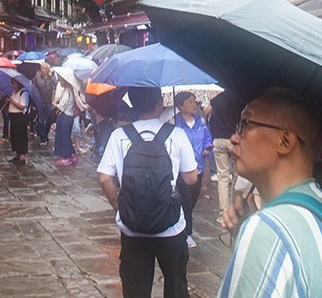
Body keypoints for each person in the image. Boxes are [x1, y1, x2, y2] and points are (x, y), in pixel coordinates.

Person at [219, 88, 322, 297]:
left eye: (245, 125)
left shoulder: (267, 229)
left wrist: (257, 232)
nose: (233, 138)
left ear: (285, 141)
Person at [97, 87, 198, 298]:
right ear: (159, 103)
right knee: (176, 284)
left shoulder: (119, 135)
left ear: (133, 103)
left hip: (133, 227)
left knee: (135, 289)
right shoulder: (176, 134)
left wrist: (119, 205)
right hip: (171, 227)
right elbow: (191, 178)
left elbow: (105, 177)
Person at [172, 92, 213, 249]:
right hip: (182, 169)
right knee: (186, 199)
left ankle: (181, 221)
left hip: (199, 167)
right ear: (180, 105)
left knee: (193, 198)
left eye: (194, 102)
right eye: (189, 102)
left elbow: (208, 138)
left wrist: (206, 149)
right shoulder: (176, 123)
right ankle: (186, 232)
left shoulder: (200, 121)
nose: (193, 105)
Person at [207, 88, 246, 221]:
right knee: (236, 177)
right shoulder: (240, 99)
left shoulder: (216, 100)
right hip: (234, 140)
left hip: (218, 139)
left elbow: (210, 118)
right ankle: (234, 210)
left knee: (222, 177)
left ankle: (223, 213)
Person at [52, 67, 88, 167]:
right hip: (68, 117)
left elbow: (62, 107)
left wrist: (54, 104)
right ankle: (70, 155)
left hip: (65, 118)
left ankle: (67, 156)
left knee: (64, 137)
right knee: (66, 136)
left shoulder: (67, 92)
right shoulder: (70, 91)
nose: (60, 81)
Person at [7, 76, 31, 165]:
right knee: (14, 135)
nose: (12, 85)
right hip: (13, 117)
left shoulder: (24, 92)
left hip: (20, 118)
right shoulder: (14, 91)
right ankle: (17, 154)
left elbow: (22, 106)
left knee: (20, 135)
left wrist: (12, 102)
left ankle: (22, 157)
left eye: (13, 83)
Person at [32, 64, 57, 146]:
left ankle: (45, 134)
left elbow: (57, 84)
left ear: (48, 70)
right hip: (40, 102)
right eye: (42, 68)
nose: (43, 70)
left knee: (49, 120)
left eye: (45, 68)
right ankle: (43, 137)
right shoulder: (37, 78)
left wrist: (52, 74)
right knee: (41, 120)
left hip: (49, 101)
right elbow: (34, 89)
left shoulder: (52, 78)